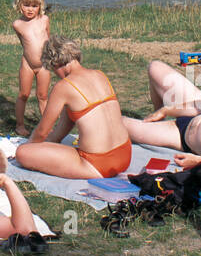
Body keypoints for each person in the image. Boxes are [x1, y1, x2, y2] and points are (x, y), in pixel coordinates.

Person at [14, 37, 132, 178]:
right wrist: (49, 144)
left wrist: (30, 146)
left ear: (55, 63)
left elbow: (42, 131)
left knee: (22, 152)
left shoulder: (63, 87)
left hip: (98, 164)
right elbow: (61, 129)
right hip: (125, 155)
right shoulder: (100, 75)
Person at [12, 0, 51, 136]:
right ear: (19, 4)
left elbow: (48, 38)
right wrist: (30, 57)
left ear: (40, 6)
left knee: (43, 96)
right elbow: (24, 43)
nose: (30, 9)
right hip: (27, 64)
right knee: (23, 94)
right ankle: (20, 125)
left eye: (34, 6)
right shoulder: (17, 24)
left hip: (44, 65)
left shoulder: (44, 20)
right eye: (26, 5)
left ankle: (47, 125)